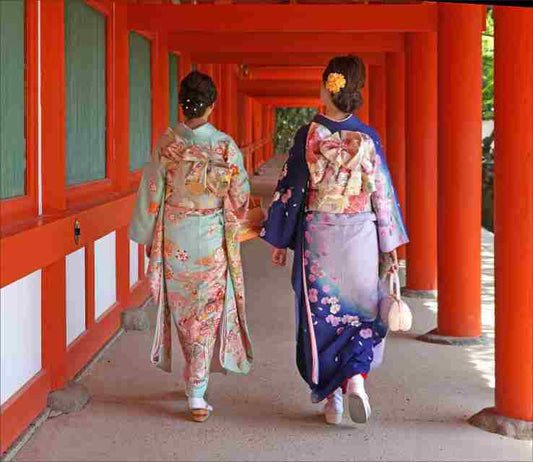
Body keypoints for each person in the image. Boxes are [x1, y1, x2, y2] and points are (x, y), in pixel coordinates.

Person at [260, 56, 408, 425]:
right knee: (360, 313)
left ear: (327, 86)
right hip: (360, 237)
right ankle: (355, 378)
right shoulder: (368, 138)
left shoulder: (309, 136)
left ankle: (333, 400)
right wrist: (389, 250)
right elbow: (382, 196)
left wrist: (280, 240)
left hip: (319, 237)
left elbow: (291, 191)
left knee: (323, 317)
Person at [129, 71, 253, 423]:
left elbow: (151, 192)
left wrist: (145, 233)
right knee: (207, 311)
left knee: (183, 311)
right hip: (211, 238)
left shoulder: (167, 143)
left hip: (175, 238)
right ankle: (196, 391)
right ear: (211, 107)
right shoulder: (225, 146)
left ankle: (193, 378)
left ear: (182, 104)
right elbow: (241, 195)